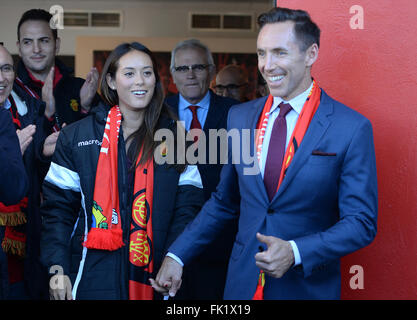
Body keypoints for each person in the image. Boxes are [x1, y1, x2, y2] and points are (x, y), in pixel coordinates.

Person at [151, 7, 378, 300]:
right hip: (241, 286)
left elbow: (361, 222)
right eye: (261, 53)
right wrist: (177, 255)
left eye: (280, 53)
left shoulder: (351, 127)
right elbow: (224, 201)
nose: (267, 65)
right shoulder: (240, 117)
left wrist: (296, 251)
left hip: (306, 289)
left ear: (311, 54)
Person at [40, 42, 204, 300]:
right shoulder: (76, 136)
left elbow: (188, 209)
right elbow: (57, 212)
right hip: (89, 278)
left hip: (155, 278)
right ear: (112, 82)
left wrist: (174, 258)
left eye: (147, 73)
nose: (140, 81)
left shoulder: (177, 139)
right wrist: (57, 268)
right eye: (129, 73)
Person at [164, 39, 239, 299]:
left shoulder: (235, 113)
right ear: (172, 74)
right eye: (183, 68)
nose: (191, 74)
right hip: (170, 237)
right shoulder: (157, 113)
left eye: (198, 67)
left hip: (221, 240)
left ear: (211, 71)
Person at [0, 44, 52, 300]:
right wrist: (9, 156)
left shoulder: (30, 108)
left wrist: (43, 152)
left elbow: (40, 175)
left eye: (6, 68)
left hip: (26, 250)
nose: (1, 78)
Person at [16, 9, 99, 131]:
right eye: (27, 42)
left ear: (57, 45)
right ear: (19, 48)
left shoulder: (80, 88)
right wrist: (46, 115)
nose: (36, 49)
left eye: (44, 40)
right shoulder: (10, 93)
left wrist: (85, 108)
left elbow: (105, 138)